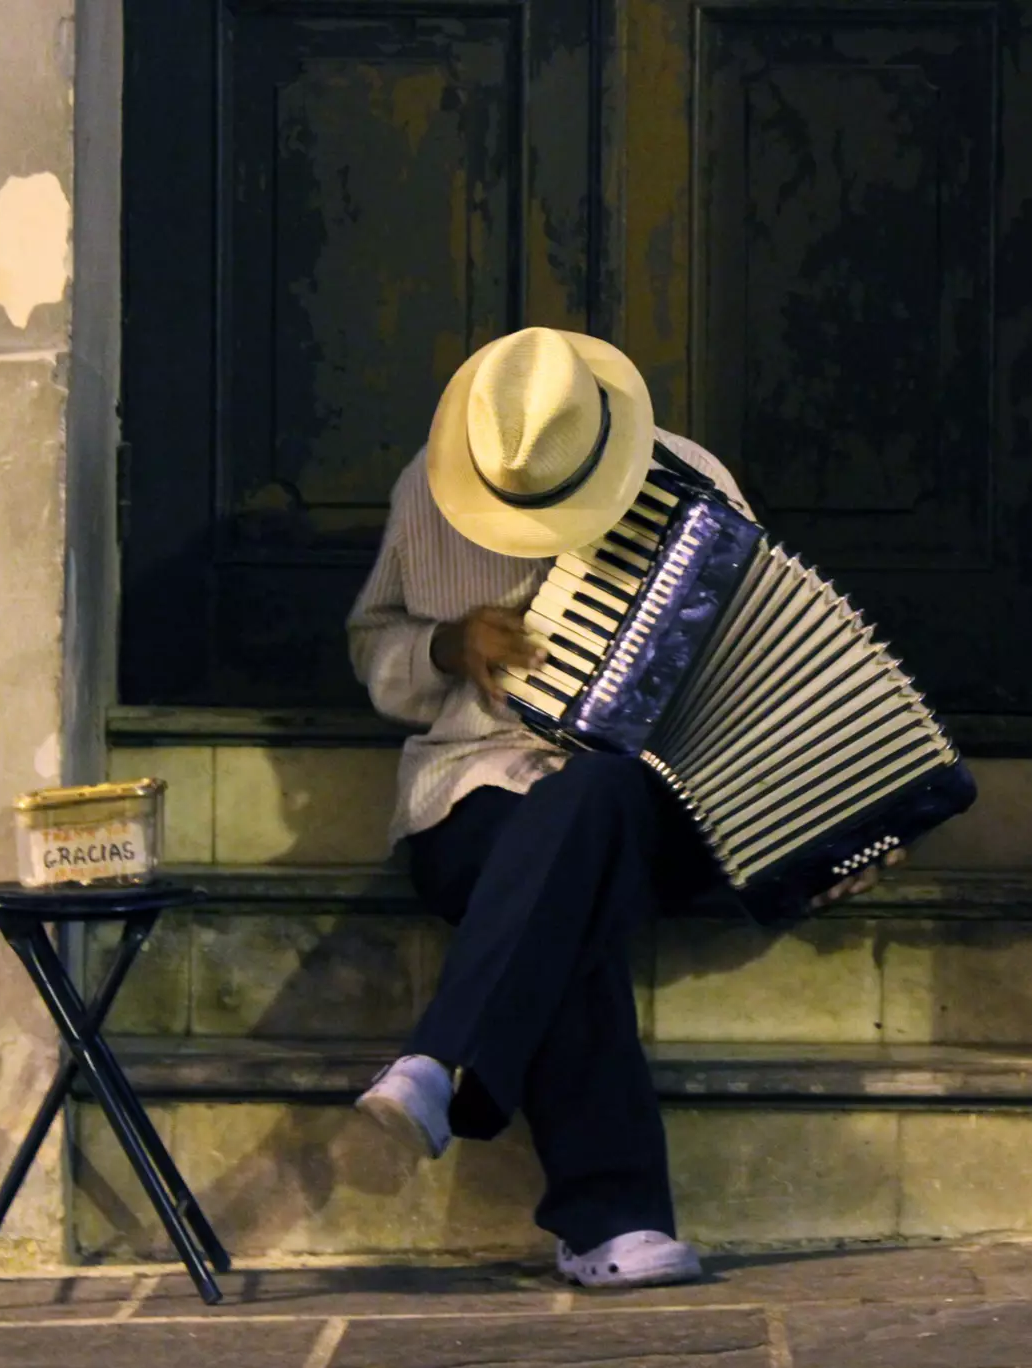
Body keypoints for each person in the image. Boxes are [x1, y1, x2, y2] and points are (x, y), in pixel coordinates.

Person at [346, 327, 896, 1288]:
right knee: (562, 895)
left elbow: (760, 662)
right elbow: (372, 647)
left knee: (593, 791)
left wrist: (828, 810)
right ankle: (613, 1225)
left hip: (657, 800)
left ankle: (442, 1059)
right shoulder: (423, 487)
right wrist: (444, 646)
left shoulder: (692, 478)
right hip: (472, 788)